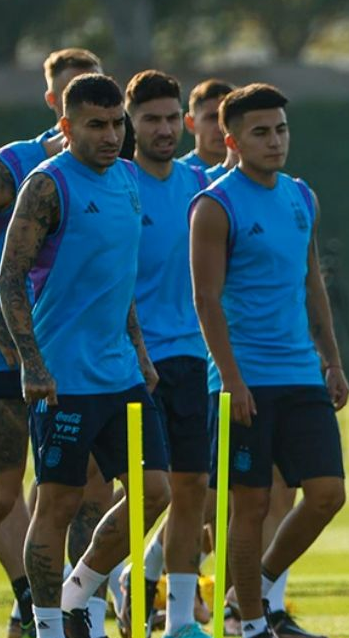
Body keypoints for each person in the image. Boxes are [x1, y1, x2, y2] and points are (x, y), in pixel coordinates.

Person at [0, 73, 171, 638]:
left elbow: (119, 279)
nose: (111, 135)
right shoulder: (47, 185)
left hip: (120, 372)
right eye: (97, 125)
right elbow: (10, 276)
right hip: (64, 377)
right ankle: (49, 625)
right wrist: (32, 362)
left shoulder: (128, 178)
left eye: (117, 123)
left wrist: (140, 351)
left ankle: (78, 591)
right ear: (67, 126)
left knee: (154, 493)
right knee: (59, 502)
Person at [190, 83, 349, 638]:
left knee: (328, 494)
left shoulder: (301, 197)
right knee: (251, 504)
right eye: (260, 132)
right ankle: (253, 625)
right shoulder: (215, 205)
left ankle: (251, 587)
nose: (275, 141)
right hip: (245, 379)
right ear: (232, 141)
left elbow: (312, 284)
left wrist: (332, 361)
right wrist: (231, 380)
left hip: (301, 373)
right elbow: (206, 300)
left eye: (281, 129)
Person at [0, 48, 111, 638]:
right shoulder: (19, 164)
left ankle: (74, 609)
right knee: (6, 493)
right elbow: (12, 267)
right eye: (73, 90)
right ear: (55, 103)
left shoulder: (112, 170)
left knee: (89, 490)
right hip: (13, 350)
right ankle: (33, 598)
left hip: (80, 357)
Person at [118, 69, 212, 638]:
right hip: (129, 362)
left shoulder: (199, 184)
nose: (164, 128)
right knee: (141, 493)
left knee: (192, 490)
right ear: (130, 123)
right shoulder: (117, 182)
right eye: (151, 119)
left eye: (172, 117)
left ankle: (178, 620)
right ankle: (95, 591)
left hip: (191, 357)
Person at [180, 80, 234, 170]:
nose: (221, 128)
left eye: (227, 118)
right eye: (212, 118)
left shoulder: (253, 174)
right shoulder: (179, 174)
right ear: (190, 123)